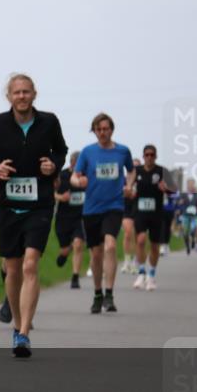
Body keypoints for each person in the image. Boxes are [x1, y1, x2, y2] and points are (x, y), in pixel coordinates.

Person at [0, 74, 67, 357]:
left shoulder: (49, 121)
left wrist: (54, 165)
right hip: (9, 206)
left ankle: (23, 333)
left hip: (40, 204)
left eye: (26, 92)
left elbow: (61, 150)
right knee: (12, 269)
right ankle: (17, 321)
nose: (22, 96)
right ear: (9, 96)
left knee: (29, 265)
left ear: (34, 94)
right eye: (17, 92)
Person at [71, 113, 135, 314]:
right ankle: (97, 294)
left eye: (106, 129)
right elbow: (75, 175)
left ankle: (110, 293)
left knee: (110, 246)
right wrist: (77, 182)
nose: (102, 133)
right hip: (91, 209)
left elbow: (131, 171)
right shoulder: (87, 152)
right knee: (96, 254)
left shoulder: (123, 151)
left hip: (114, 206)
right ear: (94, 131)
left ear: (111, 130)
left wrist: (129, 185)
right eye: (98, 129)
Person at [132, 145, 171, 291]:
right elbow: (128, 186)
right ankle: (141, 272)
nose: (149, 157)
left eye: (152, 155)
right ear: (143, 156)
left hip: (156, 213)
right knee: (141, 240)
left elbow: (173, 191)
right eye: (146, 155)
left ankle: (152, 275)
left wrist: (165, 188)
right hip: (140, 211)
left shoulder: (161, 171)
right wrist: (129, 191)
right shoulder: (137, 171)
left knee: (154, 246)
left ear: (156, 156)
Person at [54, 151, 86, 289]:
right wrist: (61, 198)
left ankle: (75, 277)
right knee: (65, 249)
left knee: (79, 244)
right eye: (76, 162)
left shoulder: (86, 177)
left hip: (80, 217)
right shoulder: (62, 175)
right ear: (71, 162)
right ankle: (64, 254)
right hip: (63, 218)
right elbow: (50, 191)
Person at [120, 159, 141, 274]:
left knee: (138, 236)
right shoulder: (123, 180)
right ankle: (127, 261)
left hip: (139, 209)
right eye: (133, 167)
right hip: (126, 208)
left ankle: (136, 261)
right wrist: (126, 192)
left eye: (137, 167)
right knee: (128, 232)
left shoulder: (142, 180)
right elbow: (117, 192)